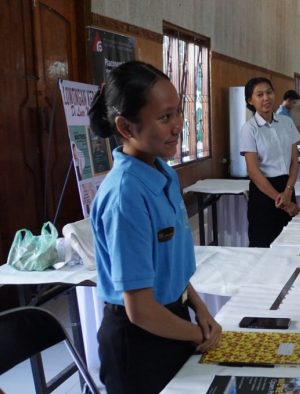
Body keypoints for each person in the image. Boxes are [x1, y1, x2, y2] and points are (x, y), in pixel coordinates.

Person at [88, 60, 221, 393]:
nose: (178, 126)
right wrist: (199, 334)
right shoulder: (126, 195)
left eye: (178, 112)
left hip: (172, 320)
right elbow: (141, 310)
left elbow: (169, 267)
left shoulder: (163, 173)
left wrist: (199, 307)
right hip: (140, 342)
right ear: (126, 128)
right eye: (165, 118)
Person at [240, 77, 300, 247]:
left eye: (269, 92)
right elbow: (253, 171)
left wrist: (288, 192)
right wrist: (283, 202)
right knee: (263, 245)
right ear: (250, 101)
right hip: (264, 193)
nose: (266, 98)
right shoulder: (249, 129)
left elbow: (295, 161)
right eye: (259, 95)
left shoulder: (287, 122)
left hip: (287, 187)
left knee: (291, 245)